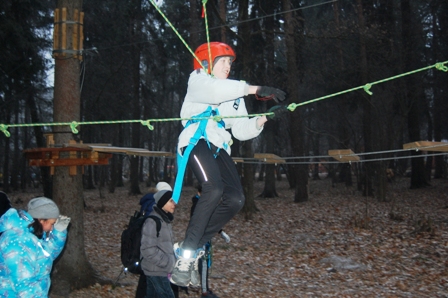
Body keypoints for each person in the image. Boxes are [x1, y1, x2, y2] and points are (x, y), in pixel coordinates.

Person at [170, 41, 287, 287]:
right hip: (196, 139)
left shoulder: (234, 95)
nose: (227, 66)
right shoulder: (199, 80)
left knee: (236, 199)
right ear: (206, 63)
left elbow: (241, 129)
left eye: (229, 63)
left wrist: (265, 118)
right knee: (214, 188)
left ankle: (192, 245)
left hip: (219, 146)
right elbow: (215, 92)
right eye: (222, 61)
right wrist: (254, 89)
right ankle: (185, 257)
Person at [0, 197, 70, 297]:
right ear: (41, 220)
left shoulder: (33, 234)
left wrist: (59, 232)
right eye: (52, 224)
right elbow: (24, 284)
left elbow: (47, 254)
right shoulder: (18, 240)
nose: (52, 228)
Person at [191, 185, 230, 297]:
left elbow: (211, 221)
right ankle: (204, 292)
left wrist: (220, 232)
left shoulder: (205, 204)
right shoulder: (197, 205)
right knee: (202, 264)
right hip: (199, 240)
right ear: (200, 192)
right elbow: (199, 222)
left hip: (205, 239)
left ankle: (205, 288)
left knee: (205, 264)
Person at [140, 189, 177, 298]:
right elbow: (147, 249)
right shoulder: (152, 222)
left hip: (158, 269)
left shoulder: (164, 220)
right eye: (171, 201)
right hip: (157, 270)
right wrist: (167, 262)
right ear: (162, 203)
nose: (174, 204)